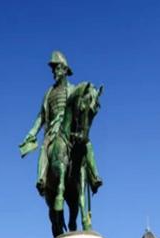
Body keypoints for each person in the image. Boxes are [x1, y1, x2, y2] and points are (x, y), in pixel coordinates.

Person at [20, 51, 102, 198]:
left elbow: (83, 108)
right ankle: (42, 179)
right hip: (52, 131)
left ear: (64, 70)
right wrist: (32, 133)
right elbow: (41, 117)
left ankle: (94, 177)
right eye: (53, 69)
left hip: (71, 130)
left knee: (87, 144)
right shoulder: (49, 93)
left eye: (57, 68)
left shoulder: (73, 89)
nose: (54, 72)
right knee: (44, 148)